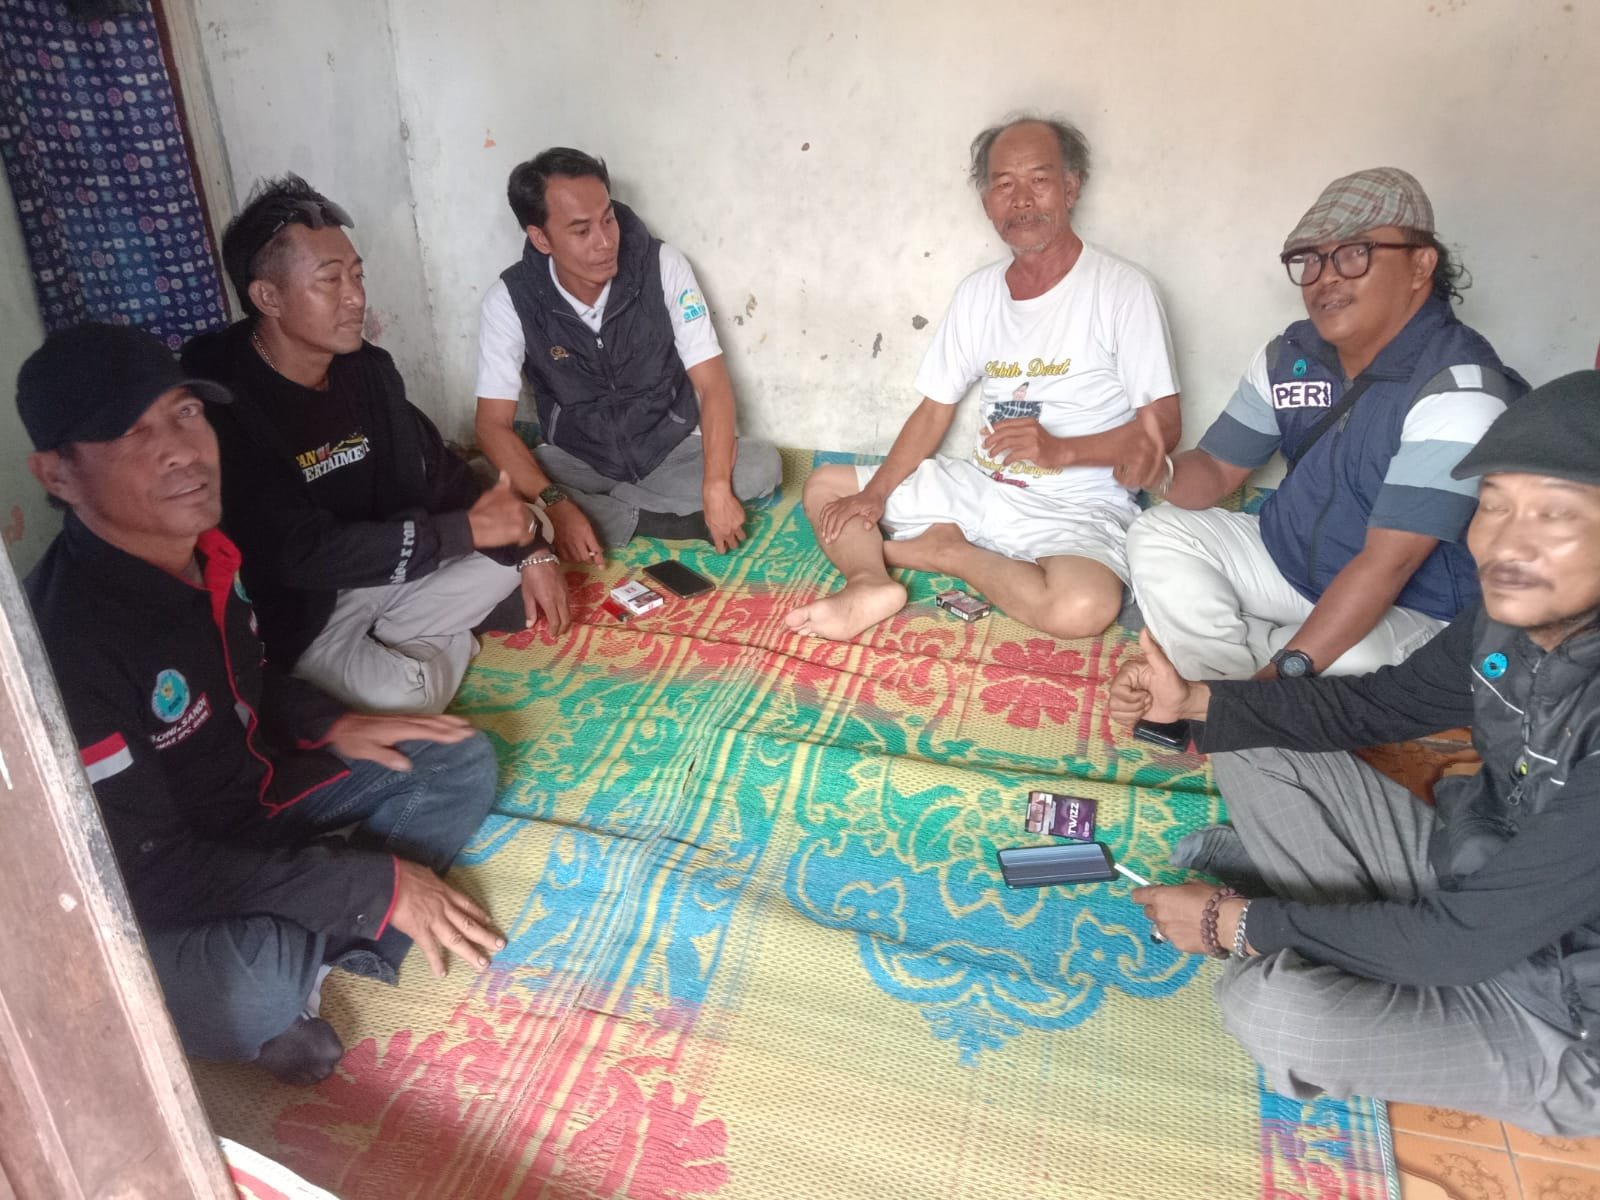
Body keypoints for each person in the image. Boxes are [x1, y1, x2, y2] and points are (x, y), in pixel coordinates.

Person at [1109, 369, 1600, 1135]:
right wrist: (1197, 701)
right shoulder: (1512, 614)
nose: (1507, 542)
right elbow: (1382, 703)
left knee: (1275, 1011)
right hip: (1475, 871)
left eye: (1556, 515)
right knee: (1251, 739)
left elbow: (1464, 941)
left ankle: (1310, 908)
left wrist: (1238, 925)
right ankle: (1336, 919)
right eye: (1495, 504)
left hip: (1566, 1018)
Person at [20, 323, 507, 1084]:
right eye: (132, 434)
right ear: (58, 474)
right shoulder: (66, 645)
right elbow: (146, 874)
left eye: (186, 413)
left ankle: (328, 938)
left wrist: (334, 723)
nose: (181, 450)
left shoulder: (208, 551)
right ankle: (311, 950)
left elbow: (247, 681)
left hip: (254, 804)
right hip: (159, 879)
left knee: (456, 756)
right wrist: (367, 884)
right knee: (261, 977)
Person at [784, 115, 1180, 643]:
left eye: (1039, 180)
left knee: (1082, 606)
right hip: (985, 488)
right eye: (1004, 184)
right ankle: (869, 581)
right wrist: (875, 494)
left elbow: (1164, 427)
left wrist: (1060, 450)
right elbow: (935, 409)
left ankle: (945, 551)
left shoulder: (1122, 290)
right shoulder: (978, 293)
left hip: (1077, 505)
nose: (1022, 200)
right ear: (986, 200)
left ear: (1070, 188)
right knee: (825, 486)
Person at [182, 175, 569, 715]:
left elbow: (440, 473)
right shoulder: (224, 404)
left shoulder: (366, 371)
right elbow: (296, 554)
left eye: (357, 275)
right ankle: (442, 644)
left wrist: (528, 547)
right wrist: (462, 532)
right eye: (330, 279)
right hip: (310, 610)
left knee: (530, 525)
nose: (356, 297)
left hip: (397, 566)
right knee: (400, 697)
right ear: (268, 297)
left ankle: (409, 642)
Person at [1125, 167, 1525, 682]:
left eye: (1354, 253)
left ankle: (1238, 682)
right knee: (1159, 532)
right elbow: (1217, 472)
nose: (1326, 276)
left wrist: (1275, 680)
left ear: (1421, 264)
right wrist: (1156, 471)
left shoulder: (1459, 389)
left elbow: (1388, 565)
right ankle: (1229, 684)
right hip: (1291, 563)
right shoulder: (1290, 355)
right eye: (1311, 258)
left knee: (1353, 666)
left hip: (1415, 604)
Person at [473, 146, 781, 563]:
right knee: (482, 478)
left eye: (608, 219)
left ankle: (609, 514)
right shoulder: (511, 300)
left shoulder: (663, 266)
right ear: (541, 238)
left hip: (667, 451)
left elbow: (712, 386)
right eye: (582, 231)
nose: (605, 242)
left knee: (762, 465)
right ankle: (655, 520)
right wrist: (555, 502)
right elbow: (492, 426)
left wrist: (714, 487)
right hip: (577, 459)